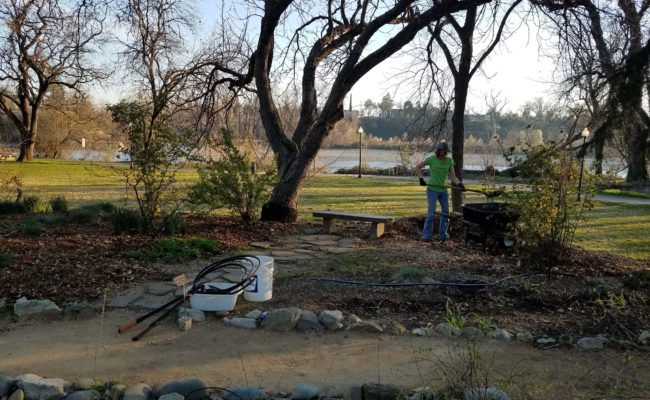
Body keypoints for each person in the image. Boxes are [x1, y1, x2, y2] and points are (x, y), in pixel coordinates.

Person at [416, 142, 464, 241]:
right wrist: (421, 179)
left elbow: (452, 176)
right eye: (444, 151)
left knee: (446, 213)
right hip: (432, 190)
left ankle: (443, 235)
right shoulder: (431, 159)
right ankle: (426, 236)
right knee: (431, 213)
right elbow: (417, 167)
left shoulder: (449, 161)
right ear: (438, 151)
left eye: (446, 151)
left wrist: (459, 184)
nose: (445, 153)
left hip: (443, 190)